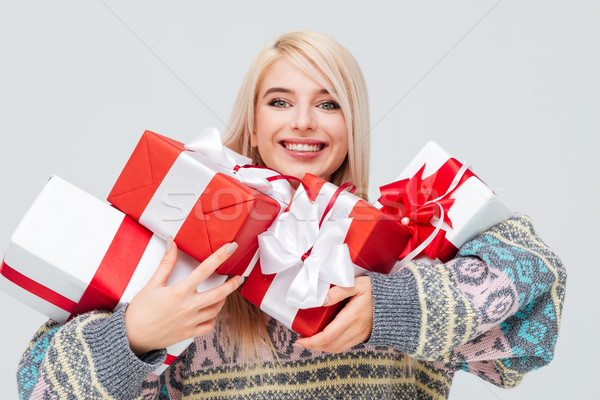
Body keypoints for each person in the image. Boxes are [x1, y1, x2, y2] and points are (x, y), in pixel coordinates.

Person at [17, 30, 566, 400]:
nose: (303, 121)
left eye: (328, 104)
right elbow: (38, 386)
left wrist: (395, 306)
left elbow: (534, 318)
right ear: (253, 125)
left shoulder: (407, 253)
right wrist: (135, 335)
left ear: (352, 124)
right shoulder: (185, 263)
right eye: (279, 101)